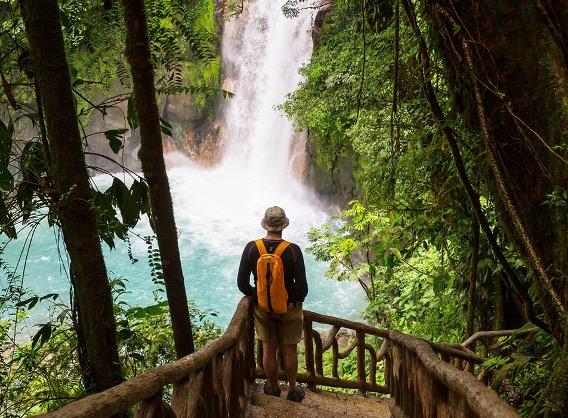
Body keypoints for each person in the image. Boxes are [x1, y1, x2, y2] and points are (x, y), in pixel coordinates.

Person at [237, 206, 308, 402]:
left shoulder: (252, 248)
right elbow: (302, 288)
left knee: (268, 348)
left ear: (265, 224)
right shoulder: (293, 250)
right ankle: (292, 389)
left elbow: (242, 283)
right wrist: (291, 302)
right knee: (289, 349)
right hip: (289, 308)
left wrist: (259, 297)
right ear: (283, 225)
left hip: (263, 309)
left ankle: (274, 387)